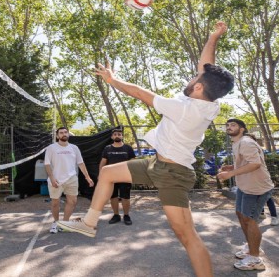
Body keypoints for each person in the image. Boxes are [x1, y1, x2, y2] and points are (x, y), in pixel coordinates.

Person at [58, 21, 234, 277]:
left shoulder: (185, 108)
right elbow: (206, 67)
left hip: (173, 173)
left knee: (187, 236)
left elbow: (141, 93)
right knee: (107, 174)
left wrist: (112, 80)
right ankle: (89, 223)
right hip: (156, 164)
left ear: (198, 87)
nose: (192, 76)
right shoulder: (207, 101)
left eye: (194, 78)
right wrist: (213, 36)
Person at [218, 118, 274, 271]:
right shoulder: (237, 143)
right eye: (227, 125)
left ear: (242, 129)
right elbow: (247, 161)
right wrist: (232, 167)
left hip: (256, 188)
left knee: (250, 220)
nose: (229, 127)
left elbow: (255, 164)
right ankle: (251, 248)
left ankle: (255, 259)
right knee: (240, 215)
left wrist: (231, 174)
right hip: (245, 187)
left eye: (233, 125)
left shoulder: (246, 142)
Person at [45, 127, 94, 234]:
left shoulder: (74, 148)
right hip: (56, 179)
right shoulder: (51, 148)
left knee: (72, 202)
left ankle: (65, 223)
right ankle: (56, 222)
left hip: (71, 178)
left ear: (68, 134)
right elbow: (47, 164)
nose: (64, 134)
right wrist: (52, 178)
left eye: (65, 132)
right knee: (55, 203)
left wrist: (87, 177)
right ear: (57, 136)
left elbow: (80, 163)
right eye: (61, 133)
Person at [99, 128, 135, 225]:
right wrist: (101, 175)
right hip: (111, 177)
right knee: (113, 197)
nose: (117, 136)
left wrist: (133, 175)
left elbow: (133, 163)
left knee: (125, 197)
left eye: (119, 134)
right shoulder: (107, 148)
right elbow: (103, 162)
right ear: (112, 137)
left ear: (122, 136)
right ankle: (116, 215)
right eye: (115, 134)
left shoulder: (128, 148)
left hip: (125, 176)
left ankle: (126, 215)